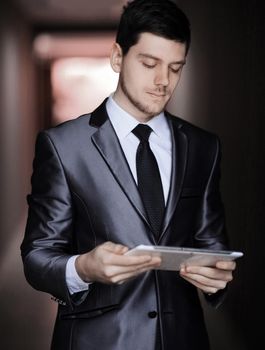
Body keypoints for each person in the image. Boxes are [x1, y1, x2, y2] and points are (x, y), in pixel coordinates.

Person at [21, 0, 237, 349]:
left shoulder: (203, 146)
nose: (163, 81)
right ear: (118, 57)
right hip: (97, 340)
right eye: (149, 64)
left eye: (176, 68)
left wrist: (217, 277)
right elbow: (37, 256)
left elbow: (212, 243)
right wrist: (83, 268)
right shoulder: (62, 146)